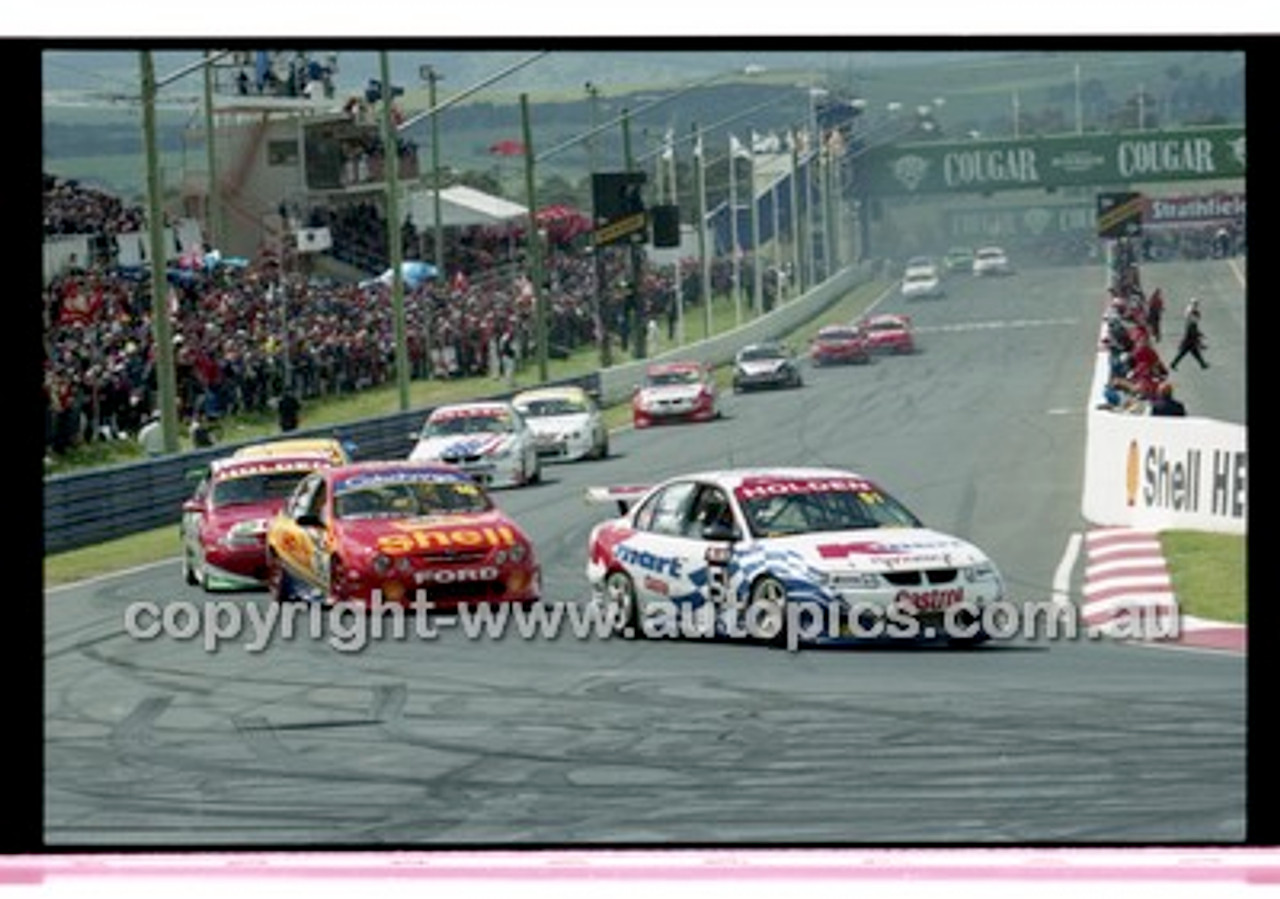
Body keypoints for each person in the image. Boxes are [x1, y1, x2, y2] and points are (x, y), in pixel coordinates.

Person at [1170, 301, 1209, 371]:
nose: (1198, 319)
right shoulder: (1192, 324)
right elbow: (1193, 333)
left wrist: (1200, 335)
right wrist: (1199, 337)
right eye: (1197, 318)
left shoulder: (1192, 323)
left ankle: (1203, 364)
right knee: (1186, 354)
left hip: (1190, 343)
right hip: (1189, 343)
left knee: (1194, 354)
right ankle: (1203, 365)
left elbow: (1195, 332)